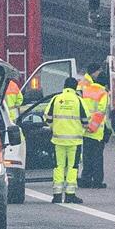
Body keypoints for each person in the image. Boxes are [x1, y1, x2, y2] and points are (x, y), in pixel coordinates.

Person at [43, 76, 88, 204]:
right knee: (72, 167)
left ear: (64, 86)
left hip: (58, 140)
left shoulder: (56, 99)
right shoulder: (78, 100)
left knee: (58, 166)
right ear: (75, 87)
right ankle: (70, 194)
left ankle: (57, 194)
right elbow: (86, 120)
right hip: (75, 141)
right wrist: (80, 129)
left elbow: (47, 117)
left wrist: (55, 127)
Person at [77, 62, 109, 189]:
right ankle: (97, 181)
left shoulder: (86, 90)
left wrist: (86, 125)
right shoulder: (103, 93)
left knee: (87, 156)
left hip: (85, 129)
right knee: (97, 157)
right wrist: (93, 127)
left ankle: (85, 179)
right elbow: (101, 112)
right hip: (96, 131)